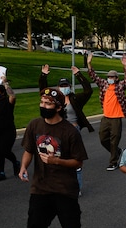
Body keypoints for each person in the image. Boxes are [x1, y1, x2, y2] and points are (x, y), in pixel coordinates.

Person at [18, 88, 88, 228]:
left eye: (48, 104)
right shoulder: (34, 125)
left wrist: (57, 161)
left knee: (70, 225)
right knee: (36, 224)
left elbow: (78, 161)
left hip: (65, 187)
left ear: (58, 107)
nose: (43, 106)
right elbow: (29, 150)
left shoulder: (70, 131)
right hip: (40, 185)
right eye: (42, 102)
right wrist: (24, 166)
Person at [40, 64, 94, 194]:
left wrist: (78, 74)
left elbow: (88, 91)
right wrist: (43, 75)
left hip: (74, 130)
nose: (64, 88)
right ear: (58, 88)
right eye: (61, 86)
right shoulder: (55, 100)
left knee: (75, 161)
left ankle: (77, 187)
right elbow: (43, 91)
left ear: (70, 87)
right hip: (58, 131)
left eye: (66, 86)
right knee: (56, 158)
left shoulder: (75, 99)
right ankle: (57, 185)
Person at [87, 53, 126, 171]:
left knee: (114, 140)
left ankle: (113, 161)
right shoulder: (104, 85)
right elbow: (93, 76)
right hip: (106, 117)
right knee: (103, 138)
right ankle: (116, 151)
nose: (110, 79)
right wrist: (89, 63)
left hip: (116, 118)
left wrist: (125, 66)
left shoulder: (120, 86)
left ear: (116, 78)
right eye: (109, 77)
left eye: (112, 77)